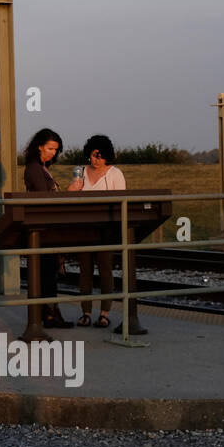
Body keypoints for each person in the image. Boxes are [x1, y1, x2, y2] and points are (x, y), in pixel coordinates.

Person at [68, 133, 126, 327]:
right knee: (85, 271)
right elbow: (69, 198)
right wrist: (73, 189)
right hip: (83, 229)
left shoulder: (115, 174)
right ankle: (85, 312)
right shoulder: (80, 172)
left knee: (105, 269)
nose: (97, 159)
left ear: (107, 156)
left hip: (106, 230)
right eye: (94, 155)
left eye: (101, 156)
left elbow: (122, 202)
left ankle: (104, 313)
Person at [23, 127, 70, 328]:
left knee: (48, 272)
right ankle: (49, 314)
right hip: (42, 228)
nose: (53, 153)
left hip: (47, 227)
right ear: (39, 147)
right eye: (50, 148)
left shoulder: (41, 167)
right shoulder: (34, 168)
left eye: (56, 150)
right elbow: (44, 197)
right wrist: (68, 192)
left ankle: (50, 313)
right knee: (46, 273)